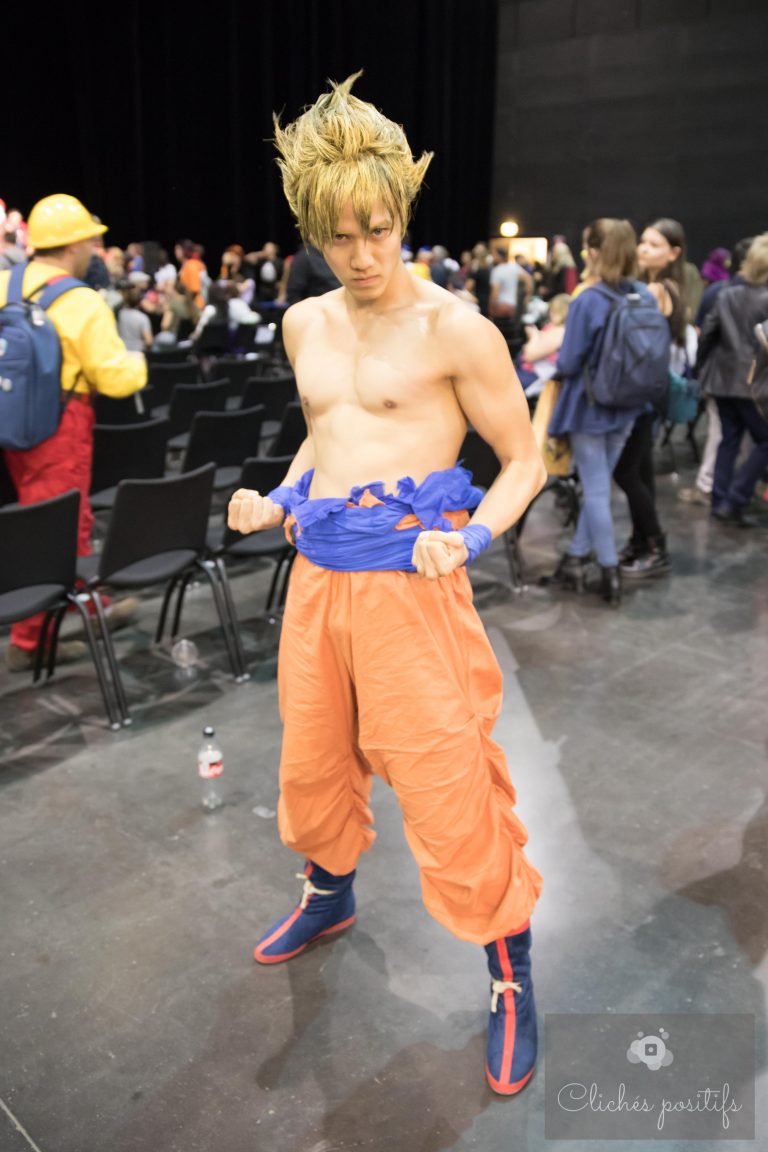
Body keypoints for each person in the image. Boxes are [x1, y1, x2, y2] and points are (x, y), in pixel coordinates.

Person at [227, 73, 546, 1097]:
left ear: (402, 213)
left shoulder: (458, 329)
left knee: (448, 783)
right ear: (313, 231)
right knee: (314, 762)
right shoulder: (304, 323)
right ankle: (329, 893)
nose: (362, 255)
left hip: (413, 587)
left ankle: (508, 969)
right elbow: (325, 442)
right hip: (319, 585)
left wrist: (476, 536)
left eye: (377, 231)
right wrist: (279, 498)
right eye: (339, 238)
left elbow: (525, 459)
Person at [0, 194, 147, 671]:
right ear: (74, 245)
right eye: (90, 241)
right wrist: (138, 363)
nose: (93, 249)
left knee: (67, 519)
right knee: (53, 528)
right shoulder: (81, 300)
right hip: (60, 429)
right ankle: (28, 643)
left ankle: (87, 603)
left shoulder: (4, 283)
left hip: (12, 418)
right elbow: (114, 379)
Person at [547, 218, 650, 605]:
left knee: (595, 491)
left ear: (592, 252)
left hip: (590, 407)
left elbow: (569, 360)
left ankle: (609, 571)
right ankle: (576, 556)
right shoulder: (641, 295)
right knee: (600, 486)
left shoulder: (588, 300)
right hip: (630, 405)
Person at [613, 218, 686, 579]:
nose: (644, 248)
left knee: (626, 471)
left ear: (673, 253)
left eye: (654, 244)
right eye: (643, 241)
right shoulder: (658, 287)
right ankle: (642, 540)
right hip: (650, 391)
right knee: (640, 471)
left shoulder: (657, 291)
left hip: (646, 393)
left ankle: (656, 545)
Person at [696, 233, 768, 525]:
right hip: (756, 385)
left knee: (729, 440)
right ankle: (735, 498)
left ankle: (720, 500)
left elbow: (707, 336)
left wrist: (701, 370)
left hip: (723, 381)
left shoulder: (726, 295)